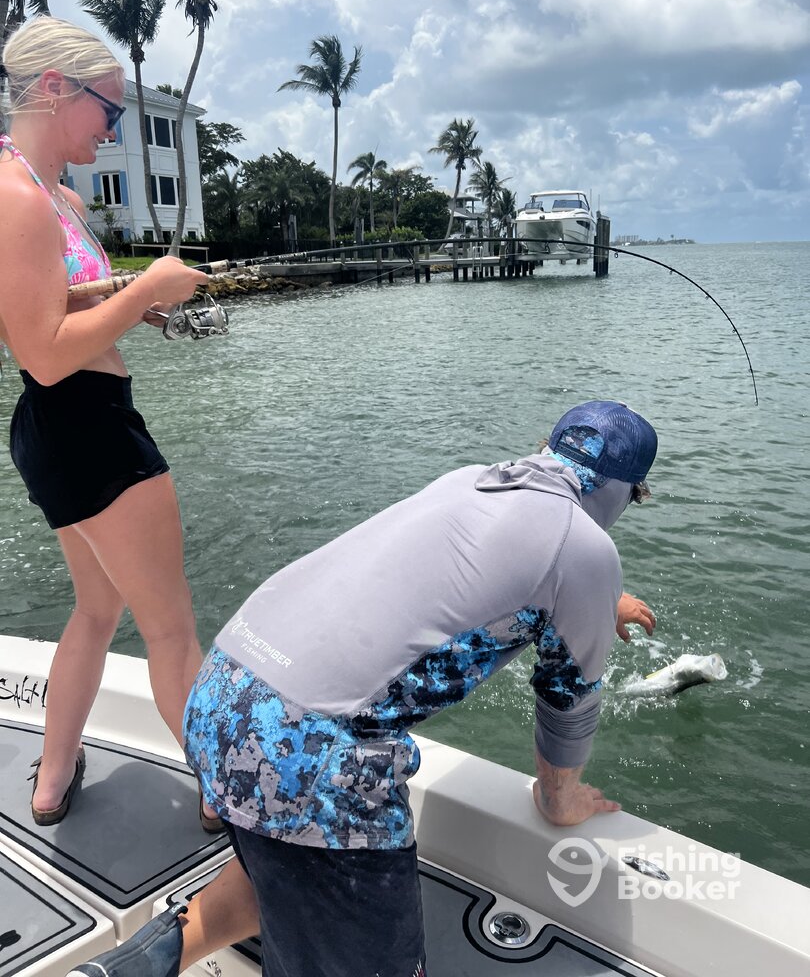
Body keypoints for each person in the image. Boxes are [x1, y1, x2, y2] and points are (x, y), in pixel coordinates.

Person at [68, 399, 658, 977]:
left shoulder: (471, 481)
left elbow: (448, 578)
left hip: (221, 692)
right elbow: (568, 701)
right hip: (305, 754)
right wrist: (560, 801)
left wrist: (595, 598)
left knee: (278, 877)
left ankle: (123, 967)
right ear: (625, 494)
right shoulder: (587, 550)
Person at [0, 16, 221, 829]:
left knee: (98, 609)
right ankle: (230, 797)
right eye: (110, 109)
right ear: (56, 89)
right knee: (173, 631)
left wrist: (137, 302)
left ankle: (53, 778)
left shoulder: (50, 194)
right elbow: (42, 352)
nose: (114, 127)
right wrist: (145, 291)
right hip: (87, 427)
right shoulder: (18, 198)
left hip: (60, 432)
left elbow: (54, 301)